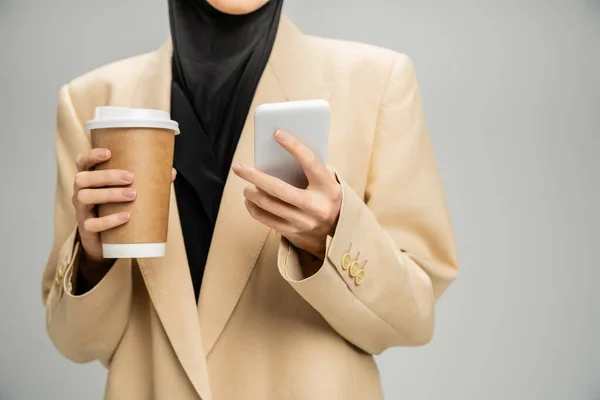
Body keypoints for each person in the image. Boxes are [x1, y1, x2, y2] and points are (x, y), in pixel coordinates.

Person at [41, 0, 459, 399]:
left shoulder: (377, 81)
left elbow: (414, 319)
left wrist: (333, 235)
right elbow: (75, 343)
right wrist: (93, 261)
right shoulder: (91, 100)